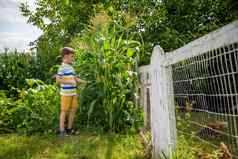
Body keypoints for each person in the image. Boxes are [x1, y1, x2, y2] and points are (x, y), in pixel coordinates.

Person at [56, 47, 87, 137]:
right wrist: (69, 81)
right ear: (66, 56)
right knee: (64, 111)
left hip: (73, 92)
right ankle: (62, 131)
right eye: (72, 56)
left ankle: (69, 129)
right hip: (66, 94)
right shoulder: (62, 67)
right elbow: (58, 80)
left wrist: (83, 81)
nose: (73, 59)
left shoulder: (71, 67)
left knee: (73, 110)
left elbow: (74, 78)